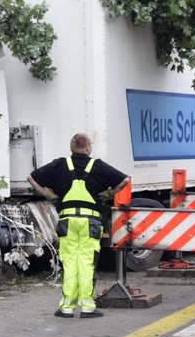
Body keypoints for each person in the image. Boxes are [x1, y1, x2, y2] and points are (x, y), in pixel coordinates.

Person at [27, 133, 130, 319]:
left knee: (69, 262)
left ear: (71, 147)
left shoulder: (60, 165)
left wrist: (48, 195)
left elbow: (31, 178)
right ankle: (87, 307)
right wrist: (109, 193)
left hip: (67, 222)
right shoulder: (97, 166)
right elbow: (125, 180)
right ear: (88, 148)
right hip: (90, 222)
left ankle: (67, 307)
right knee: (86, 262)